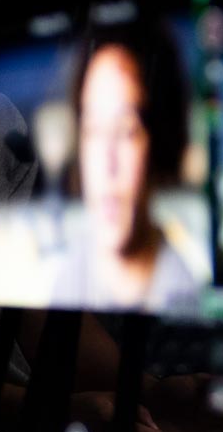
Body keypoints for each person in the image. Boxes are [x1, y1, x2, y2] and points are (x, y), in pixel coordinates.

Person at [50, 23, 204, 314]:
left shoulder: (186, 300)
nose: (107, 165)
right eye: (94, 130)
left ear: (156, 146)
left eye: (126, 131)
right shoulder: (66, 284)